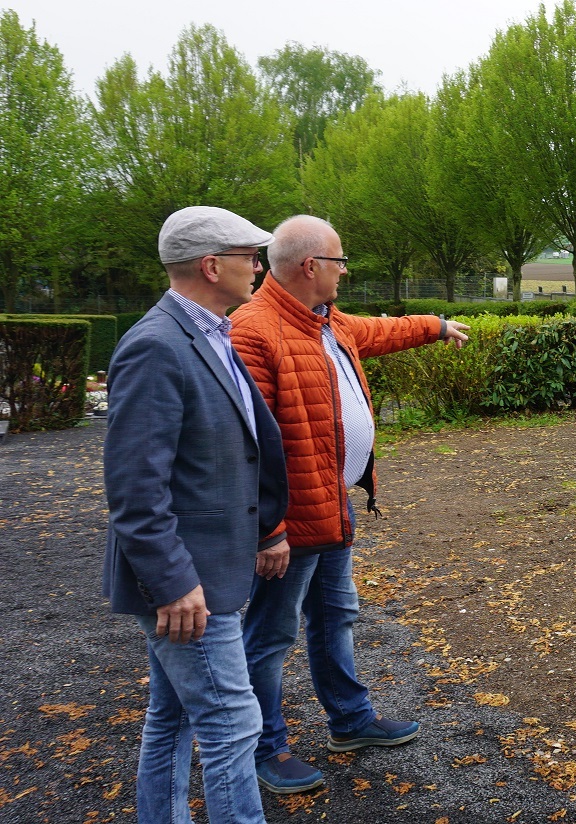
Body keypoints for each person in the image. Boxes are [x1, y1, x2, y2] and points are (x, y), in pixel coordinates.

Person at [230, 214, 470, 794]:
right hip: (291, 520)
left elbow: (378, 332)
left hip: (331, 505)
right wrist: (270, 530)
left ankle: (350, 721)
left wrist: (435, 326)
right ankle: (262, 747)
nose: (344, 272)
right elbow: (248, 446)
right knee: (269, 636)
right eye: (340, 262)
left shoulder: (324, 321)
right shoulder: (254, 331)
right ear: (311, 267)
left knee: (335, 616)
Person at [102, 206, 290, 824]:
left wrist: (265, 528)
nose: (258, 267)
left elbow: (228, 454)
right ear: (212, 265)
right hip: (191, 586)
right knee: (234, 722)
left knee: (174, 715)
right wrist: (173, 583)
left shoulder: (213, 333)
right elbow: (135, 488)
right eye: (248, 256)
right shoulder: (157, 346)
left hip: (214, 573)